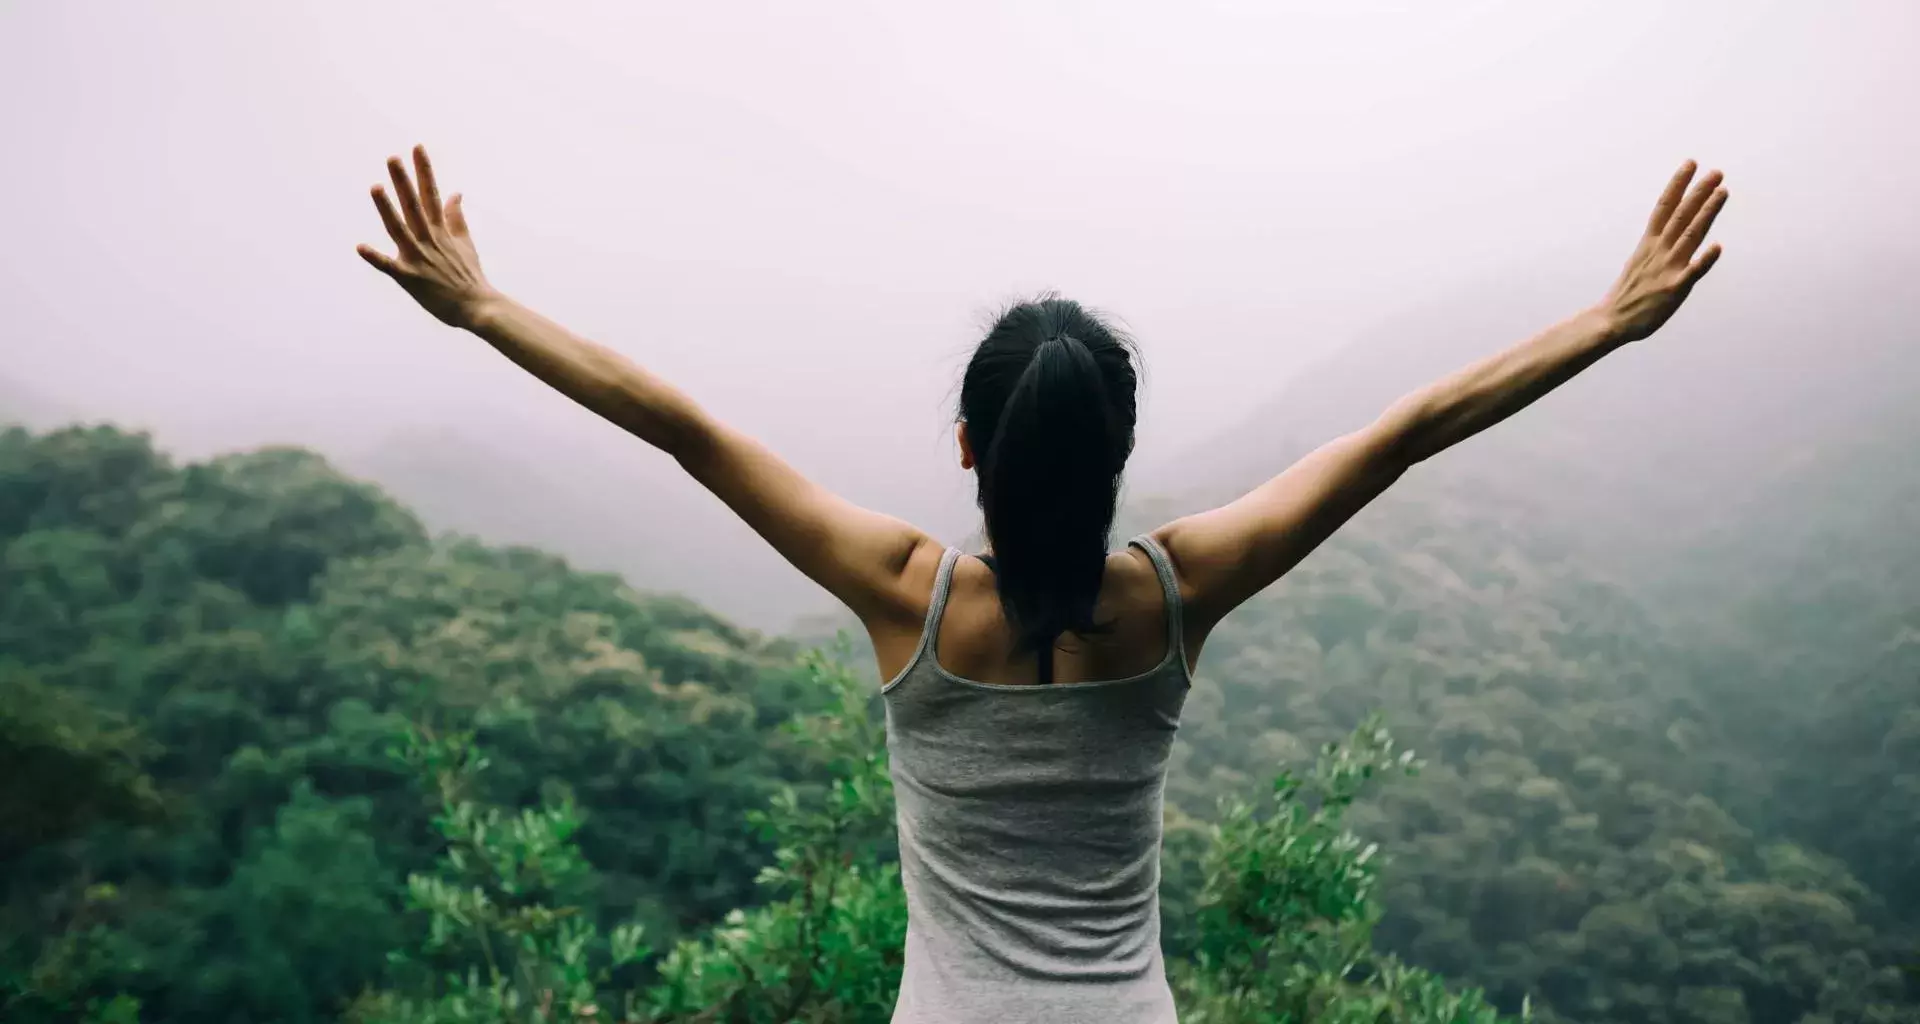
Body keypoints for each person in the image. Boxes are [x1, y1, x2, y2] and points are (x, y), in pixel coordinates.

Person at [358, 147, 1728, 1023]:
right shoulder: (1175, 596)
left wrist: (485, 308)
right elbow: (1408, 430)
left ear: (968, 445)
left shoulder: (909, 594)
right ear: (1122, 454)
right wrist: (1607, 324)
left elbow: (684, 429)